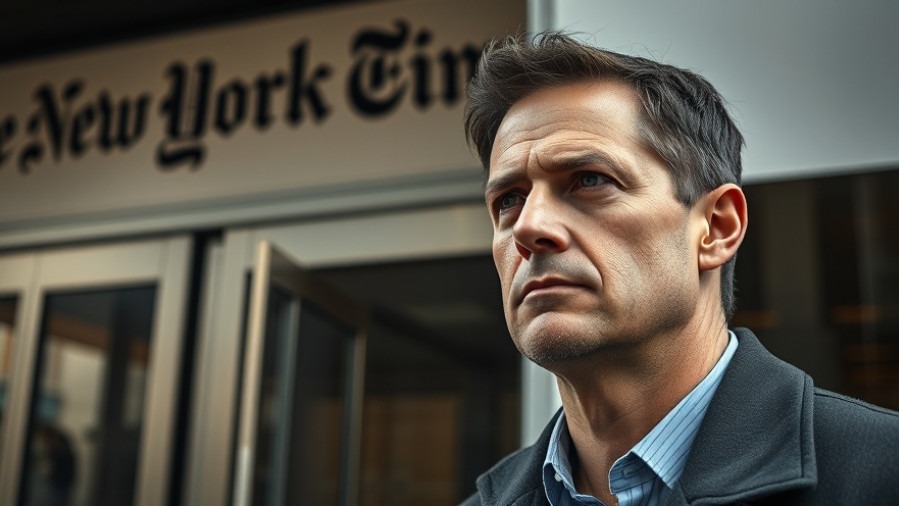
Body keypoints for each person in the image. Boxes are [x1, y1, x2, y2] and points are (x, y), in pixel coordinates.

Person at [461, 32, 899, 506]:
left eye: (589, 180)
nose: (529, 227)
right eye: (509, 200)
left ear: (716, 227)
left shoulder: (881, 475)